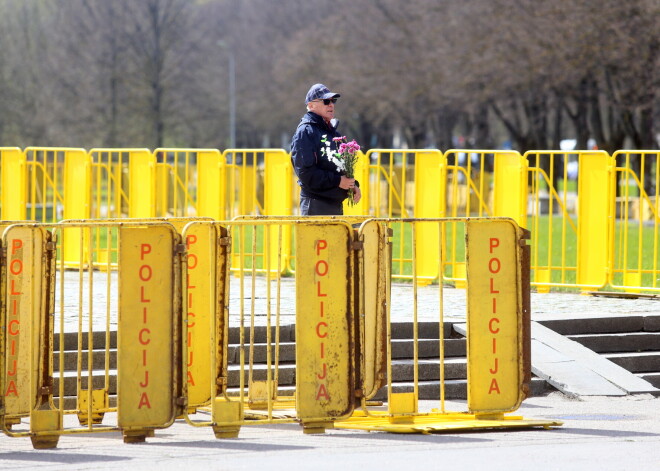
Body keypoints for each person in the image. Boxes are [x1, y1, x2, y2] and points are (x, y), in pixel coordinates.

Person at [291, 83, 361, 215]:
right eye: (326, 101)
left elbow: (336, 167)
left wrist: (352, 185)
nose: (331, 105)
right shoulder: (305, 131)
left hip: (334, 205)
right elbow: (306, 173)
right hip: (315, 205)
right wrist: (338, 181)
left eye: (333, 101)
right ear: (311, 105)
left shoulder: (333, 134)